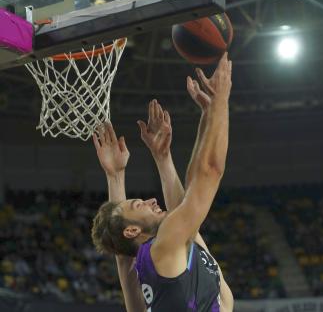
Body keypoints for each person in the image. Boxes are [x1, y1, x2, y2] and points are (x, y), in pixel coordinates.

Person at [92, 53, 233, 311]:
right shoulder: (164, 246)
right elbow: (209, 172)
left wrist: (158, 158)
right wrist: (219, 105)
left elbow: (124, 258)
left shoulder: (155, 258)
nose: (151, 200)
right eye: (138, 204)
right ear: (133, 231)